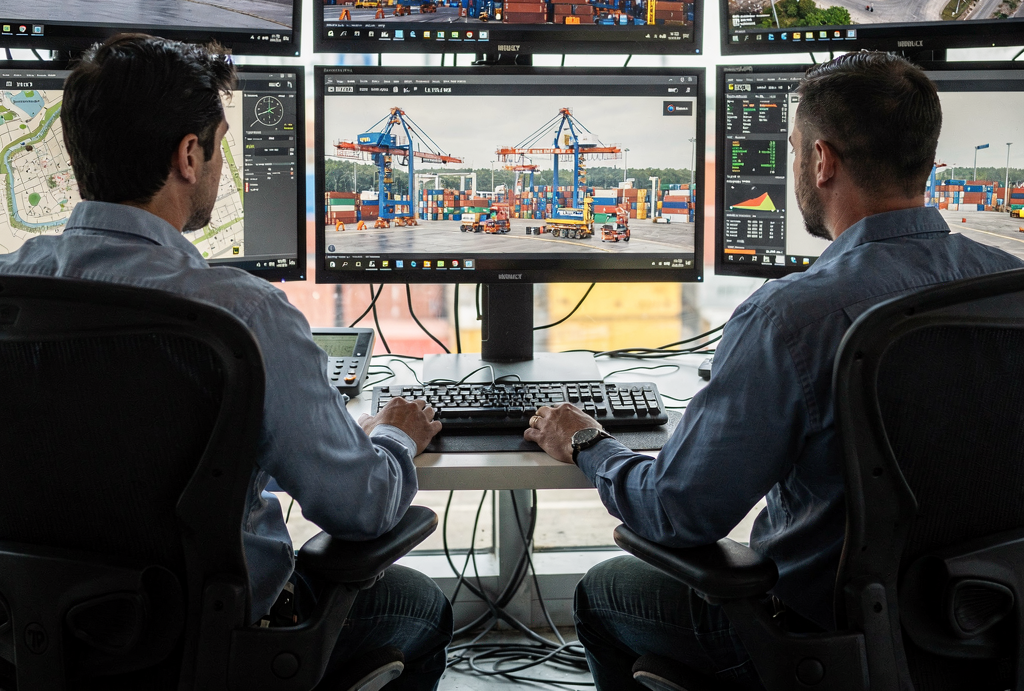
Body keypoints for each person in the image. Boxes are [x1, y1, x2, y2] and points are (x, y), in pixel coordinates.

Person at [523, 51, 1023, 690]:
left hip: (821, 641)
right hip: (986, 629)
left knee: (602, 594)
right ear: (924, 159)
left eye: (791, 150)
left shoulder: (792, 316)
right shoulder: (1007, 288)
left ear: (822, 161)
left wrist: (589, 441)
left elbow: (679, 512)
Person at [0, 34, 452, 691]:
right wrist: (392, 435)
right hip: (214, 650)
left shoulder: (11, 289)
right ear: (190, 155)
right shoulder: (243, 314)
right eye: (218, 146)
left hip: (35, 644)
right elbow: (363, 507)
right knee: (415, 604)